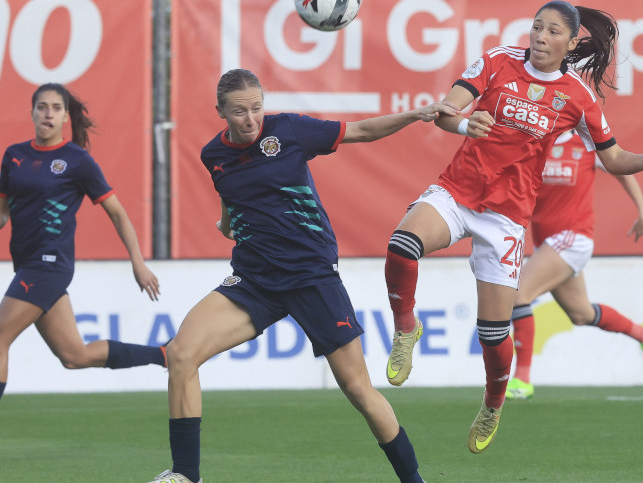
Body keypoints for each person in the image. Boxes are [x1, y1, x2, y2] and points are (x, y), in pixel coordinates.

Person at [382, 0, 643, 454]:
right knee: (402, 243)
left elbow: (613, 157)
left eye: (552, 32)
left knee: (493, 331)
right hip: (459, 192)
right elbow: (446, 111)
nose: (540, 37)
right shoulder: (495, 61)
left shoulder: (578, 97)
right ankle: (406, 328)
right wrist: (466, 124)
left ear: (569, 43)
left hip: (506, 218)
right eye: (536, 27)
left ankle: (492, 402)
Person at [147, 68, 458, 483]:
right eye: (239, 112)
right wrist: (226, 222)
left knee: (359, 391)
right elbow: (231, 192)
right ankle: (186, 475)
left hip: (312, 277)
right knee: (182, 355)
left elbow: (361, 130)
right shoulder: (212, 155)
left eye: (257, 107)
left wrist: (416, 113)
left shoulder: (289, 130)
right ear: (220, 111)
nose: (251, 119)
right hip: (254, 281)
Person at [0, 83, 165, 467]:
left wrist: (137, 261)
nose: (49, 114)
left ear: (67, 117)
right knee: (75, 355)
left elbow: (117, 212)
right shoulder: (14, 157)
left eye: (56, 108)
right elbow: (0, 212)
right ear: (32, 112)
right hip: (28, 264)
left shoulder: (77, 161)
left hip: (50, 264)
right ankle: (164, 354)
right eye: (42, 107)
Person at [505, 129, 643, 401]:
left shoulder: (587, 144)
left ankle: (522, 379)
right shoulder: (535, 142)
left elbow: (621, 167)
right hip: (548, 243)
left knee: (518, 294)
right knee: (581, 314)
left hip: (574, 238)